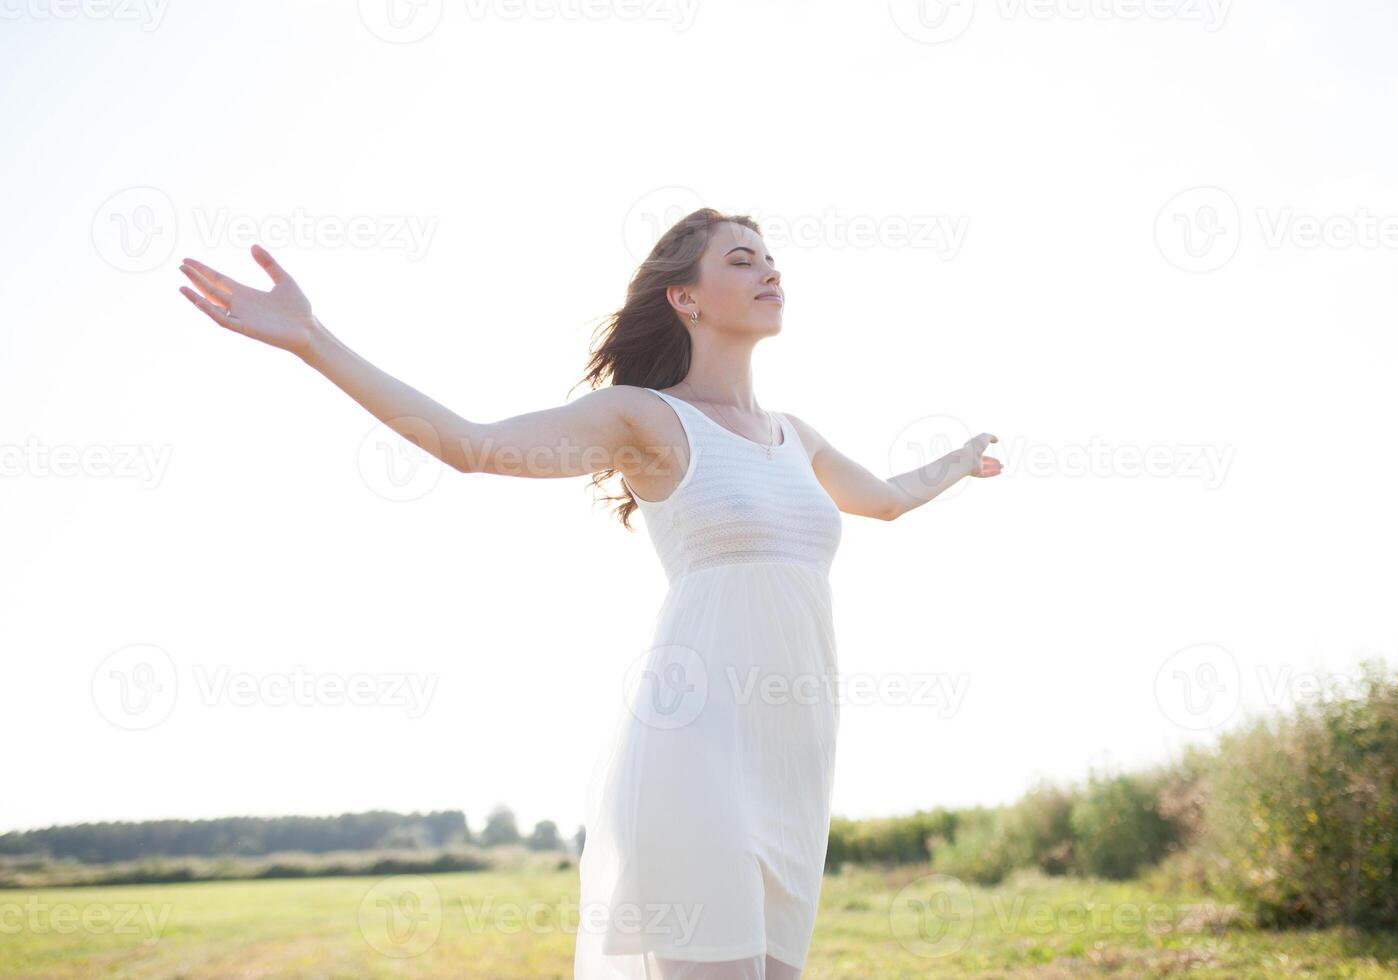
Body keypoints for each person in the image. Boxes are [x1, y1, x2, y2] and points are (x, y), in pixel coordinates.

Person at [178, 207, 1003, 979]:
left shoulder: (799, 438)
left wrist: (959, 461)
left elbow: (886, 500)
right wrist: (313, 339)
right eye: (742, 260)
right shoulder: (643, 417)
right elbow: (471, 446)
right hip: (695, 751)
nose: (769, 272)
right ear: (685, 297)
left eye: (772, 260)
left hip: (798, 759)